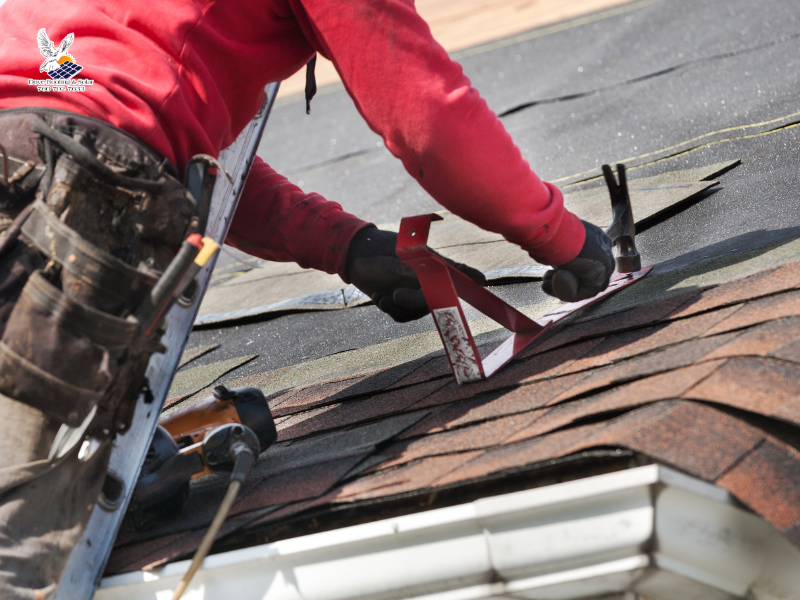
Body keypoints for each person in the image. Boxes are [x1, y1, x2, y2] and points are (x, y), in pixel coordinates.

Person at [0, 0, 614, 596]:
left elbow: (155, 137)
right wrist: (559, 236)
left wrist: (343, 245)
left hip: (41, 165)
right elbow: (427, 118)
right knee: (15, 545)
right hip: (65, 200)